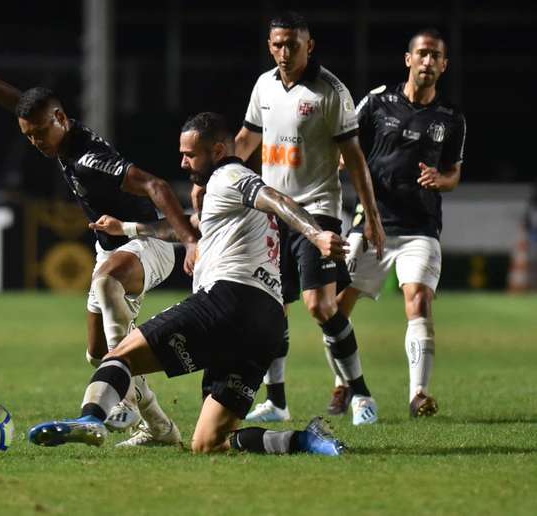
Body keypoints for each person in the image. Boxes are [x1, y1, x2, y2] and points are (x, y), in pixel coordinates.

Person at [26, 112, 348, 456]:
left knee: (117, 355)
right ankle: (306, 440)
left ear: (219, 151)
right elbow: (188, 229)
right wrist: (129, 229)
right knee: (209, 443)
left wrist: (316, 234)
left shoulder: (231, 176)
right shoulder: (222, 197)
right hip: (265, 324)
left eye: (191, 155)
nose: (183, 163)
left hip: (228, 300)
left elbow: (276, 198)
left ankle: (91, 419)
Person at [0, 59, 200, 445]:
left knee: (109, 289)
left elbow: (156, 185)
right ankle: (159, 428)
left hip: (149, 243)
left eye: (41, 133)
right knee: (96, 354)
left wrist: (189, 239)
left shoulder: (90, 159)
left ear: (61, 117)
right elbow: (24, 104)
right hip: (110, 248)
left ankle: (118, 399)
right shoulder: (57, 135)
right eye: (29, 136)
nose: (37, 141)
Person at [228, 11, 386, 425]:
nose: (284, 52)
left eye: (292, 44)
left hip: (316, 214)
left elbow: (354, 159)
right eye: (278, 44)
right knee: (270, 307)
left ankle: (361, 394)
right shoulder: (264, 85)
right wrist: (213, 175)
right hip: (273, 213)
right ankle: (277, 402)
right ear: (269, 44)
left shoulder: (330, 92)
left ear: (309, 45)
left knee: (320, 306)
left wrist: (371, 217)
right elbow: (247, 137)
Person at [335, 28, 466, 417]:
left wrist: (439, 180)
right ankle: (344, 382)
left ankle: (418, 394)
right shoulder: (376, 103)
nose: (427, 61)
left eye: (435, 56)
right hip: (370, 224)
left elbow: (454, 173)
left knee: (419, 298)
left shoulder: (451, 119)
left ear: (444, 65)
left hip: (420, 228)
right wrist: (343, 164)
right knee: (334, 306)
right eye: (422, 54)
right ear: (408, 59)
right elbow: (345, 146)